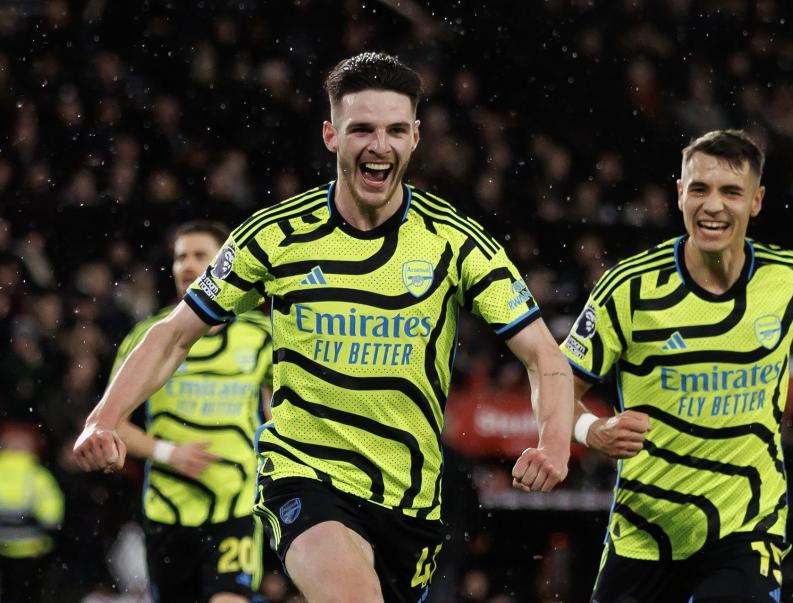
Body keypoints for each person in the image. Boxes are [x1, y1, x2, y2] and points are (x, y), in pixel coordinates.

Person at [74, 52, 573, 603]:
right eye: (362, 129)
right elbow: (173, 334)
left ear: (415, 138)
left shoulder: (455, 243)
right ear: (332, 135)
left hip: (411, 502)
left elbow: (544, 356)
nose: (378, 145)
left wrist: (553, 443)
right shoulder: (274, 236)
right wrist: (105, 418)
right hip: (303, 476)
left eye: (394, 130)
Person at [561, 129, 793, 602]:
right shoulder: (629, 290)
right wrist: (590, 430)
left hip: (747, 530)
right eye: (699, 189)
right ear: (679, 194)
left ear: (756, 201)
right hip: (644, 532)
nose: (712, 205)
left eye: (730, 192)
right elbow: (554, 384)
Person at [110, 221, 273, 602]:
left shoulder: (260, 334)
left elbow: (278, 410)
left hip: (235, 508)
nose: (187, 265)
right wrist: (170, 454)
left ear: (223, 265)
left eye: (200, 256)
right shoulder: (148, 338)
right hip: (167, 511)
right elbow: (113, 423)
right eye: (181, 256)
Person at [0, 422, 65, 602]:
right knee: (28, 594)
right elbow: (52, 514)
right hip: (30, 548)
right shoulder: (36, 475)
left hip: (2, 548)